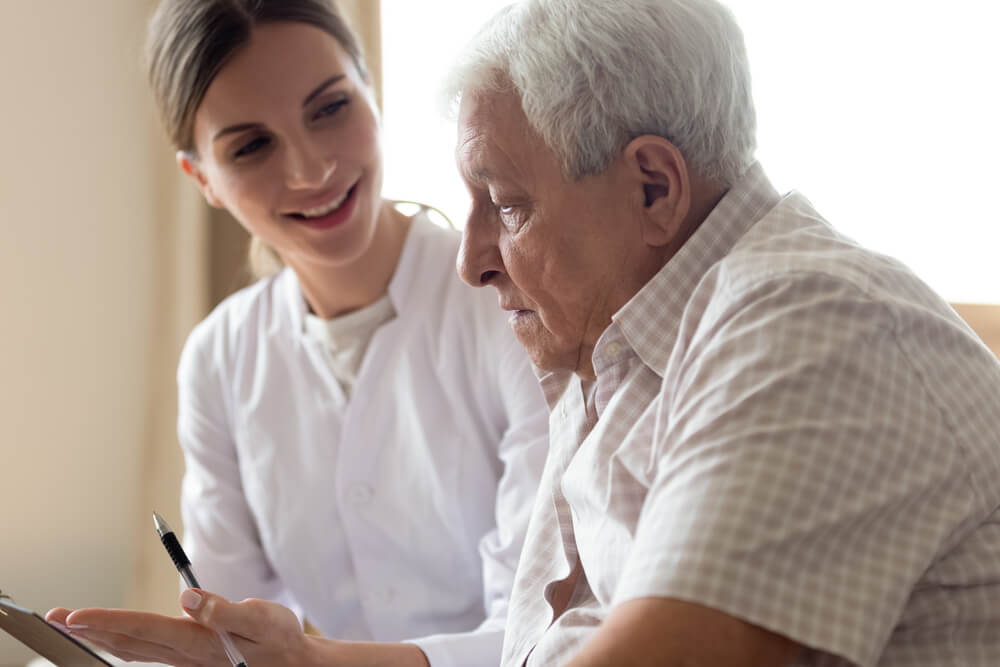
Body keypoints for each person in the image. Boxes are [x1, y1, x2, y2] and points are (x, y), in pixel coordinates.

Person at [51, 0, 1000, 665]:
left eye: (505, 206)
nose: (470, 259)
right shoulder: (619, 357)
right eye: (250, 143)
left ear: (654, 187)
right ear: (201, 177)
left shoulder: (803, 326)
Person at [46, 1, 549, 667]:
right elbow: (232, 634)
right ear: (203, 179)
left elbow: (542, 628)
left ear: (372, 90)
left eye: (331, 108)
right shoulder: (219, 361)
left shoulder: (514, 301)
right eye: (252, 146)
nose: (311, 170)